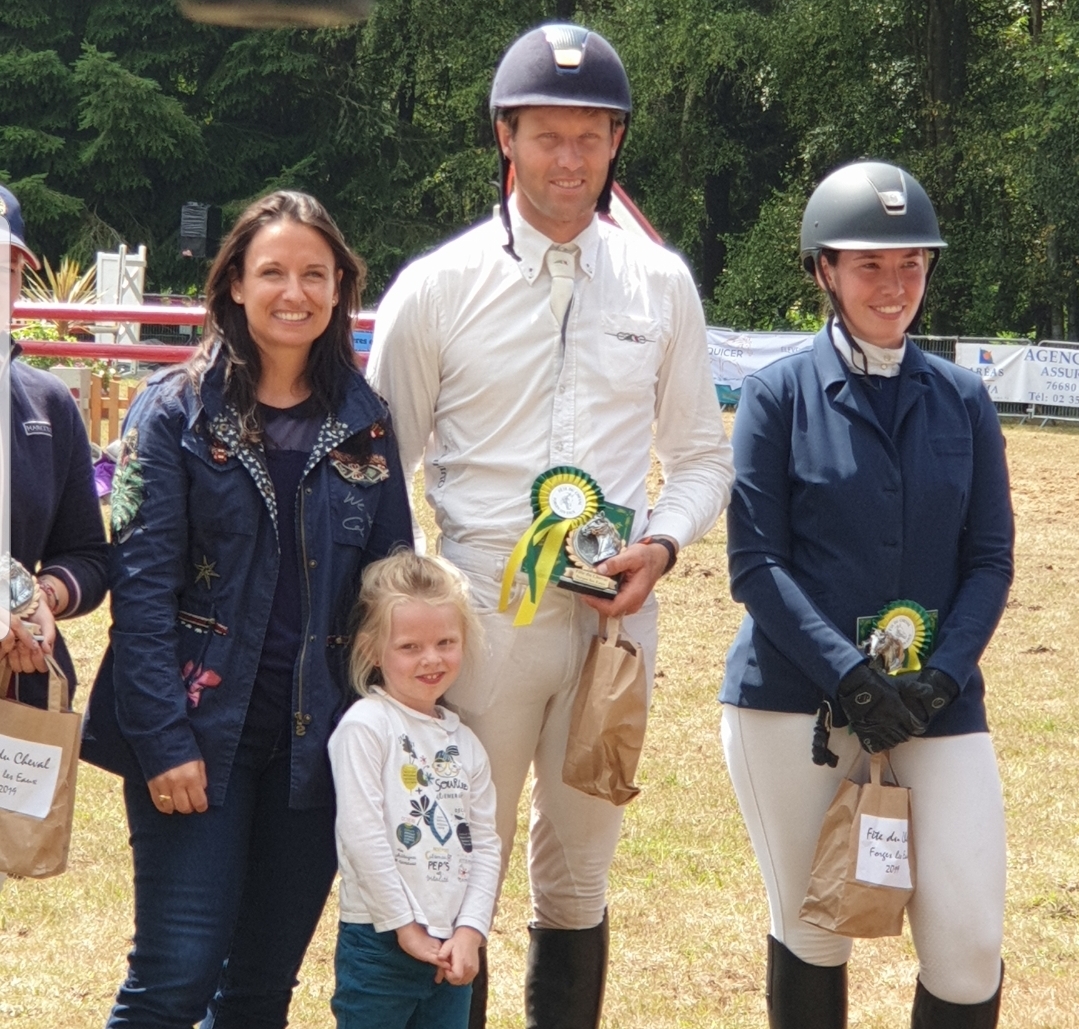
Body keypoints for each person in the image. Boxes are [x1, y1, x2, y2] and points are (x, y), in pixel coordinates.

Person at [368, 23, 733, 1028]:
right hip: (480, 614)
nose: (567, 161)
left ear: (616, 141)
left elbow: (701, 455)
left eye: (589, 137)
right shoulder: (437, 288)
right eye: (546, 136)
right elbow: (373, 467)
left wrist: (658, 543)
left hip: (615, 619)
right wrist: (410, 615)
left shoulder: (659, 285)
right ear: (505, 136)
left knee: (580, 868)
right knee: (458, 864)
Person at [80, 190, 414, 1029]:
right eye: (272, 271)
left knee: (261, 990)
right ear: (233, 283)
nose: (293, 291)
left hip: (315, 750)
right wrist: (162, 743)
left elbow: (388, 586)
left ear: (340, 288)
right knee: (174, 979)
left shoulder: (366, 424)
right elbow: (143, 592)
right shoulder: (173, 413)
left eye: (314, 273)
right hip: (197, 739)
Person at [720, 161, 1013, 1028]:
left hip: (936, 701)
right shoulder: (775, 396)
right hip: (792, 704)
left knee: (966, 947)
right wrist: (847, 676)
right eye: (869, 265)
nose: (893, 286)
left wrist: (941, 677)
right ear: (824, 271)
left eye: (910, 265)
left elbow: (989, 559)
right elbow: (755, 563)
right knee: (815, 930)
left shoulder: (963, 400)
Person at [327, 549, 500, 1029]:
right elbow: (362, 836)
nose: (431, 659)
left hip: (450, 952)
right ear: (371, 651)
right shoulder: (366, 726)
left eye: (446, 641)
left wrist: (471, 931)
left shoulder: (466, 744)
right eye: (409, 647)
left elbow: (485, 844)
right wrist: (404, 925)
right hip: (380, 943)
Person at [1, 182, 108, 705]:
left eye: (5, 268)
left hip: (20, 686)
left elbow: (87, 555)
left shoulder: (48, 405)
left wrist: (39, 600)